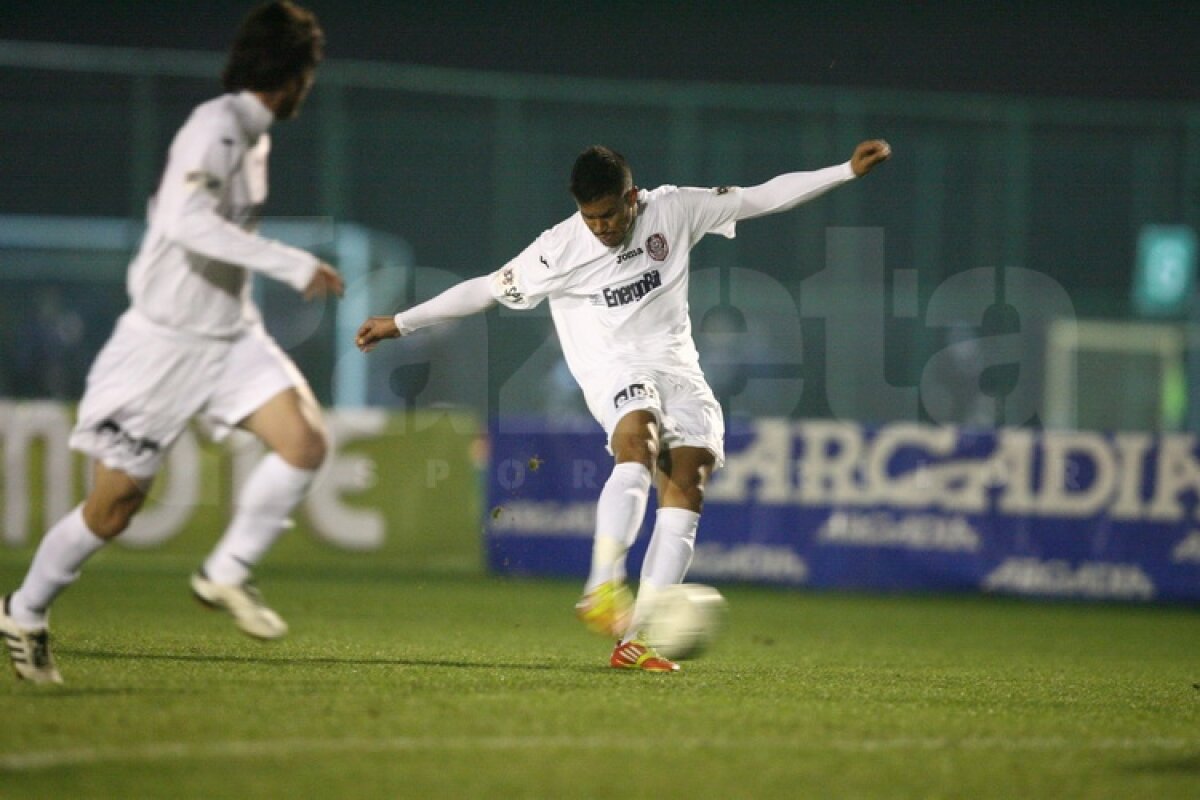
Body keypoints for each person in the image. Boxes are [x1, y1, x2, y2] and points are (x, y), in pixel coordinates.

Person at [356, 139, 891, 672]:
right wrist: (400, 323)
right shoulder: (559, 248)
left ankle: (640, 637)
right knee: (639, 441)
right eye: (591, 218)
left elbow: (761, 198)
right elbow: (485, 290)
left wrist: (843, 171)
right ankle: (602, 587)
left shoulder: (674, 209)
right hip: (613, 368)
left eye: (609, 215)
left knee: (690, 477)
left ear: (632, 197)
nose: (601, 227)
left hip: (679, 367)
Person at [1, 0, 342, 685]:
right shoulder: (213, 128)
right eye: (308, 70)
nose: (310, 84)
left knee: (306, 442)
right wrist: (292, 263)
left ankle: (226, 571)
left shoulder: (256, 138)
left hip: (229, 336)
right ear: (291, 72)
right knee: (116, 505)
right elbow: (187, 221)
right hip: (162, 346)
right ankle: (25, 611)